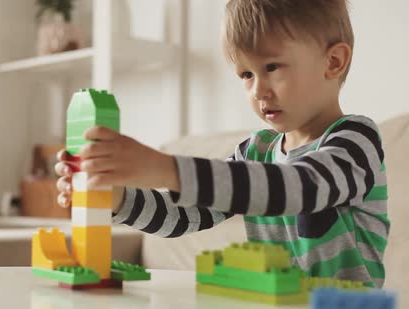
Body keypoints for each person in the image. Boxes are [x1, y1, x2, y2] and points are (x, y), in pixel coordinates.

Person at [55, 0, 389, 288]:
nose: (258, 91)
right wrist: (116, 197)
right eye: (246, 74)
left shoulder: (355, 141)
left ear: (333, 62)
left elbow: (298, 187)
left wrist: (164, 168)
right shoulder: (255, 151)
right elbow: (186, 215)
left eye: (272, 67)